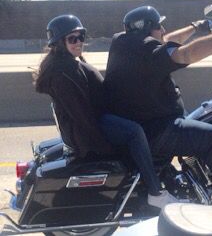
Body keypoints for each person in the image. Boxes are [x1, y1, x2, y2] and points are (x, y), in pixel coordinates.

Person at [103, 6, 212, 199]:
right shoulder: (148, 52)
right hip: (157, 131)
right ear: (148, 29)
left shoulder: (122, 42)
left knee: (205, 116)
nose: (164, 31)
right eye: (160, 26)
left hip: (143, 124)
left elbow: (164, 42)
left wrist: (196, 26)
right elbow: (187, 53)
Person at [33, 14, 179, 209]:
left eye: (81, 37)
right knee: (134, 131)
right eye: (72, 39)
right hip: (94, 124)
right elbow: (81, 115)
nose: (79, 43)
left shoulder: (68, 64)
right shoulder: (64, 73)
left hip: (96, 118)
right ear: (59, 43)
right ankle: (155, 191)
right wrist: (102, 146)